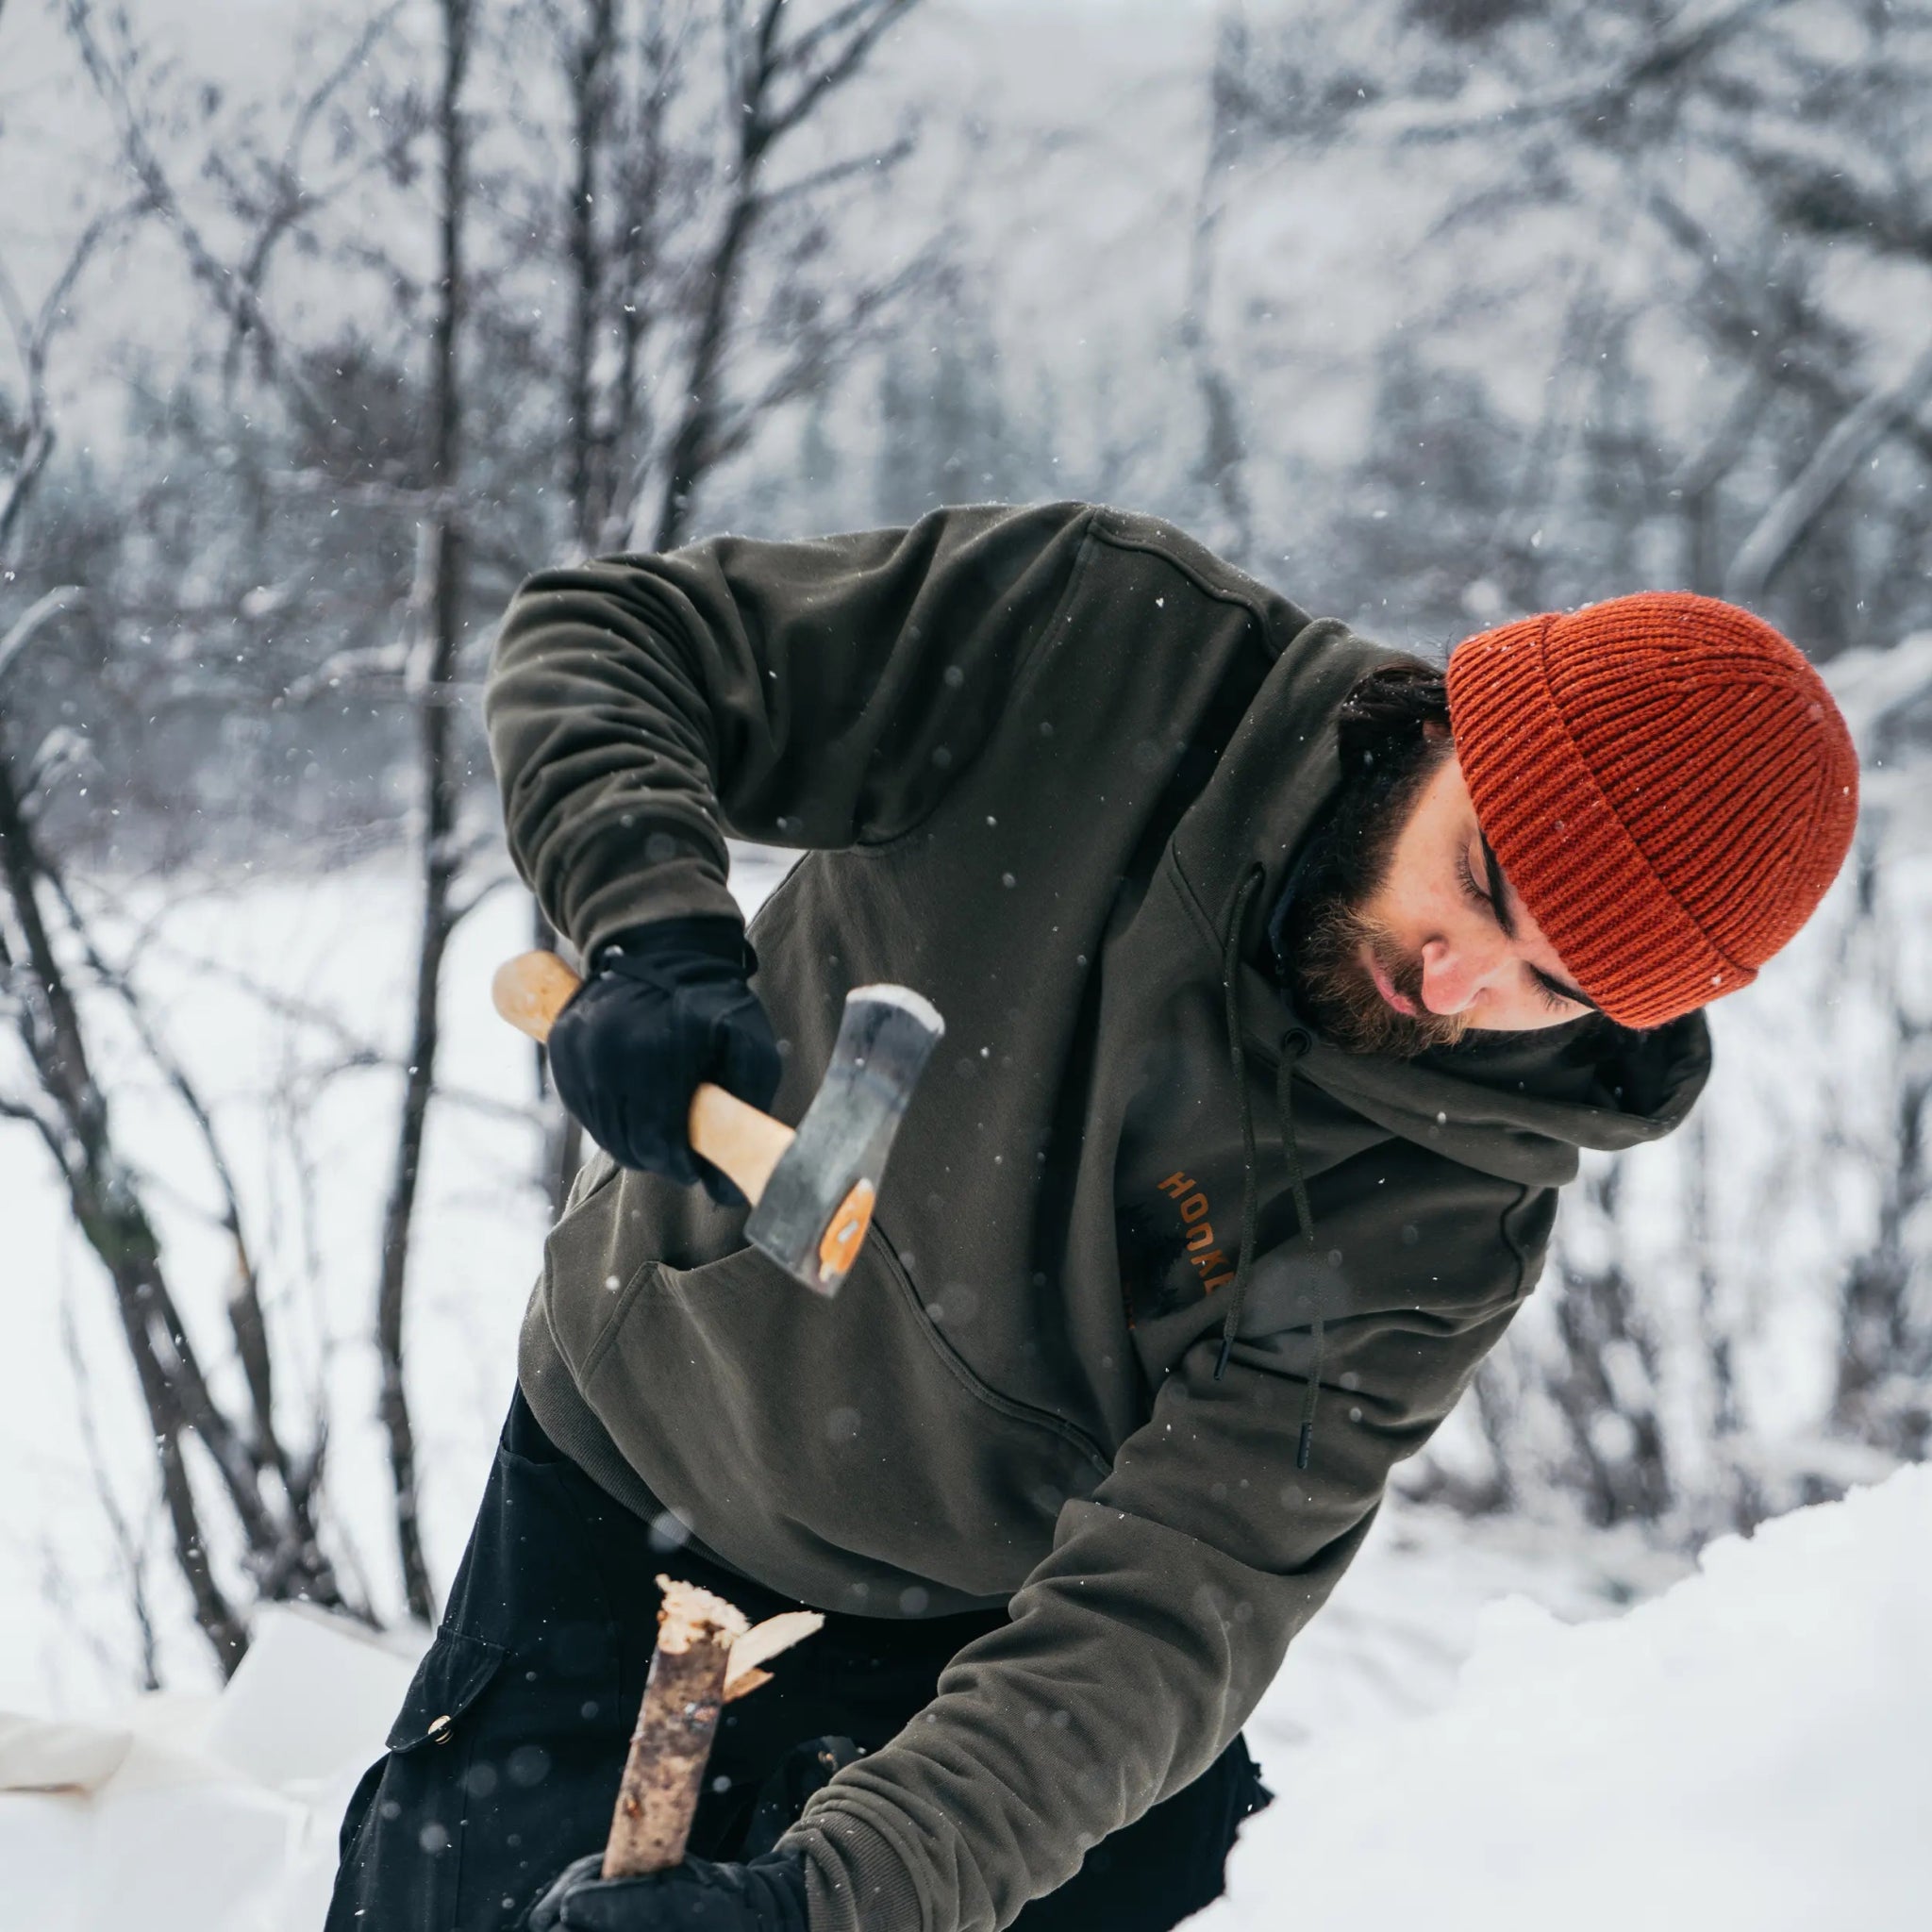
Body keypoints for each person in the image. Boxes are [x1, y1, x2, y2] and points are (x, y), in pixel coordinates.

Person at [325, 502, 1857, 1932]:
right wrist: (649, 924)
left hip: (1003, 1659)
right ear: (1450, 721)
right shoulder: (1099, 648)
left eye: (1552, 989)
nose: (1460, 987)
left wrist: (825, 1906)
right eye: (1480, 879)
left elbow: (1177, 1603)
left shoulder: (1448, 1208)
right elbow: (618, 635)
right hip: (637, 1465)